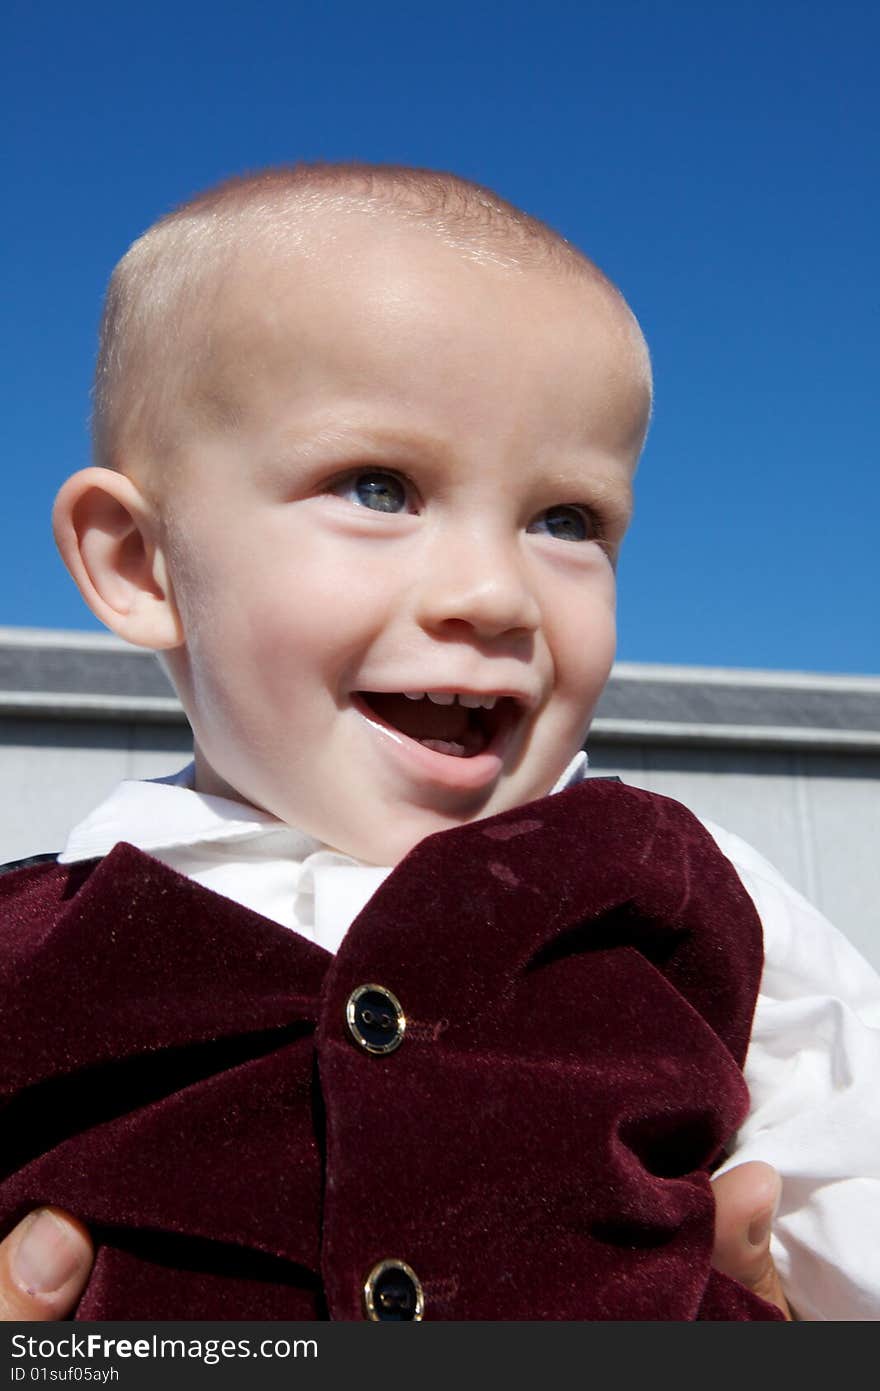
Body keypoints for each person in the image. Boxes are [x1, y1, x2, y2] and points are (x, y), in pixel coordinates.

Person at [0, 164, 877, 1320]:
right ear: (137, 565)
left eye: (565, 520)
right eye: (379, 486)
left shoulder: (670, 882)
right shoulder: (45, 935)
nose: (493, 592)